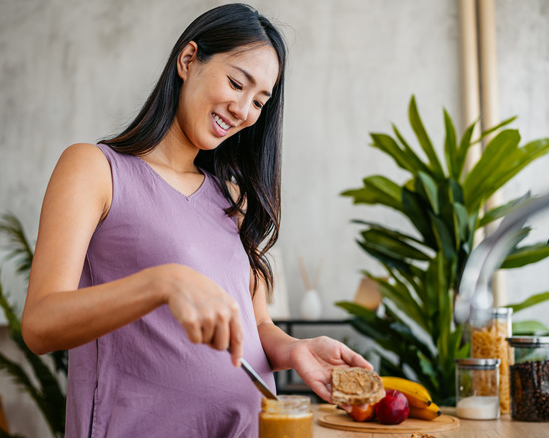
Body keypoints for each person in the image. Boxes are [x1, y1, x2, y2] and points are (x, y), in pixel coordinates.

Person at [22, 3, 372, 437]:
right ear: (188, 60)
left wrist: (296, 349)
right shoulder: (96, 170)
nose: (244, 109)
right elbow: (39, 324)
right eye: (236, 82)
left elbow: (255, 325)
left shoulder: (233, 197)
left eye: (259, 101)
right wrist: (163, 282)